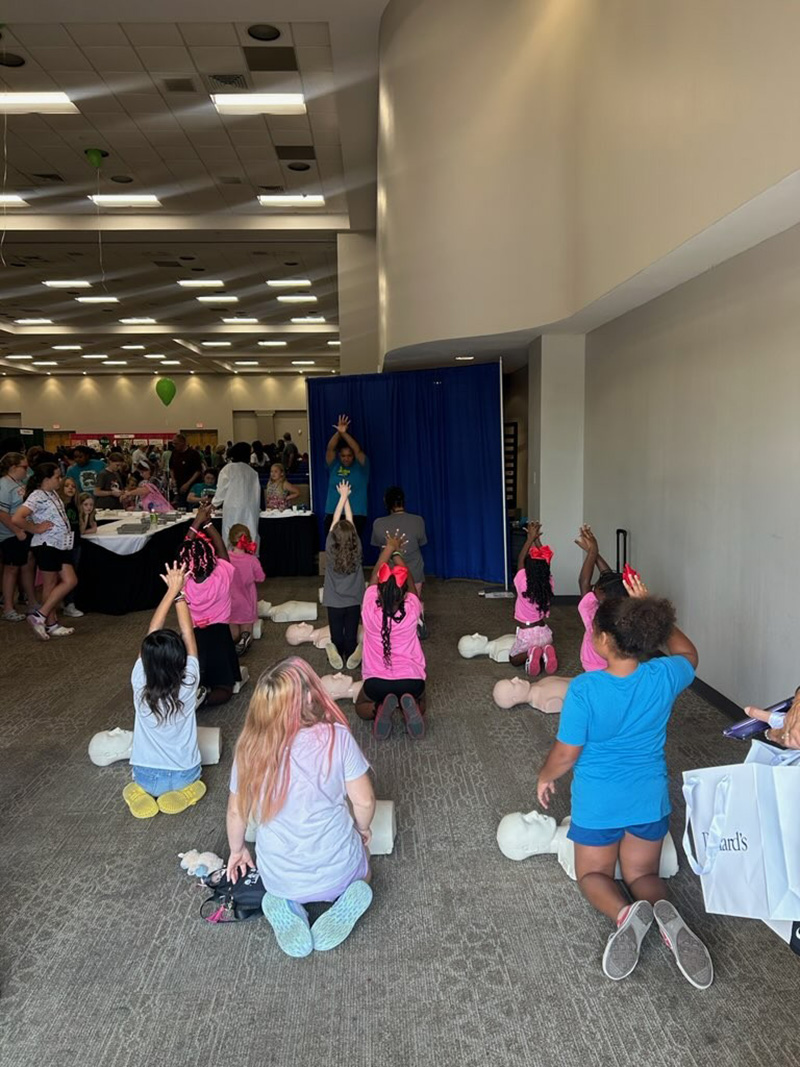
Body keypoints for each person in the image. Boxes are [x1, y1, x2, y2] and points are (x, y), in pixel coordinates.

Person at [536, 573, 713, 988]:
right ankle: (666, 912)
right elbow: (689, 654)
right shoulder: (663, 675)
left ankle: (625, 913)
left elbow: (566, 753)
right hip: (648, 800)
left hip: (599, 803)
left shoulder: (585, 689)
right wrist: (655, 614)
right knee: (643, 875)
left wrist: (545, 775)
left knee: (593, 876)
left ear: (601, 640)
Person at [226, 657, 375, 957]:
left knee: (277, 878)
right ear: (308, 698)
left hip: (280, 879)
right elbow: (365, 801)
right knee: (365, 869)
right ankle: (347, 895)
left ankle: (285, 903)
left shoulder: (249, 748)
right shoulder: (337, 737)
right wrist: (363, 829)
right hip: (339, 871)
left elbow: (236, 811)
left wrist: (237, 850)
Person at [123, 562, 206, 819]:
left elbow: (152, 632)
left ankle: (139, 792)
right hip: (184, 774)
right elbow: (188, 632)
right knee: (197, 783)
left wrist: (170, 591)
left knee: (137, 784)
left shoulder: (139, 681)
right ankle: (188, 793)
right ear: (180, 659)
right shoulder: (189, 681)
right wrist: (180, 593)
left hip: (145, 774)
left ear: (146, 659)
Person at [355, 533, 426, 740]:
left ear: (379, 590)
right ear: (404, 594)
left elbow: (375, 574)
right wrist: (397, 553)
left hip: (376, 683)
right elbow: (409, 578)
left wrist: (388, 548)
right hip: (411, 680)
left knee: (360, 706)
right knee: (422, 701)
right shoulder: (412, 609)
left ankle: (378, 708)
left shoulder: (369, 609)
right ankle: (410, 708)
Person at [177, 503, 243, 707]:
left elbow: (185, 548)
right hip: (220, 636)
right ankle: (205, 698)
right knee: (225, 688)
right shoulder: (222, 574)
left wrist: (197, 522)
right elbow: (222, 549)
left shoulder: (183, 581)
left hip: (194, 637)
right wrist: (208, 524)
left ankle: (194, 693)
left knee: (195, 674)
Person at [13, 463, 77, 640]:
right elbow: (17, 518)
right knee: (50, 584)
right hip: (47, 544)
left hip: (60, 544)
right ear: (46, 479)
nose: (60, 480)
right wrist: (35, 528)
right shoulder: (37, 496)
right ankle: (50, 622)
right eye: (57, 477)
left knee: (70, 580)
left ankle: (41, 615)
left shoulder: (52, 493)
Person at [371, 486, 428, 636]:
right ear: (403, 501)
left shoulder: (378, 523)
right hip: (414, 574)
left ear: (386, 503)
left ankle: (389, 626)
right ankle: (416, 619)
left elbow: (379, 547)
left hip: (388, 577)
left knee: (389, 607)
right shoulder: (418, 521)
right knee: (412, 602)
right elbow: (421, 542)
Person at [575, 524, 628, 672]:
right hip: (619, 666)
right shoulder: (625, 612)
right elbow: (608, 577)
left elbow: (583, 582)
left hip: (593, 666)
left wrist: (593, 552)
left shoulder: (593, 615)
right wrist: (593, 551)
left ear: (604, 596)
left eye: (597, 587)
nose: (593, 588)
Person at [323, 483, 364, 671]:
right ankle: (352, 653)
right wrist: (346, 497)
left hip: (334, 601)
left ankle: (337, 653)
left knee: (336, 634)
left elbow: (335, 520)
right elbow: (350, 521)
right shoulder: (357, 549)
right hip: (354, 600)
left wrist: (342, 496)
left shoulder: (330, 549)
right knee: (351, 633)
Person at [508, 521, 557, 676]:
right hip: (545, 633)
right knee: (540, 647)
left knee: (513, 659)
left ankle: (531, 652)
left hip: (527, 634)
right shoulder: (548, 582)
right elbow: (545, 559)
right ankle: (545, 650)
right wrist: (536, 539)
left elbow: (520, 560)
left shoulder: (523, 582)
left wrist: (530, 538)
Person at [0, 452, 36, 622]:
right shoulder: (4, 485)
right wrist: (16, 531)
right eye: (24, 467)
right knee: (11, 568)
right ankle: (8, 607)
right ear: (13, 467)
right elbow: (2, 513)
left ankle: (31, 601)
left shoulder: (19, 483)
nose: (26, 470)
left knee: (28, 564)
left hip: (24, 530)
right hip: (10, 534)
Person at [324, 415, 369, 535]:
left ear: (353, 456)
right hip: (333, 512)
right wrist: (339, 433)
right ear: (339, 456)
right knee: (332, 544)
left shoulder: (362, 466)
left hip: (356, 513)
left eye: (349, 455)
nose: (346, 458)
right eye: (343, 456)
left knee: (353, 545)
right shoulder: (334, 465)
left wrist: (344, 434)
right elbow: (330, 449)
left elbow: (357, 450)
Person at [212, 441, 262, 551]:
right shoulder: (253, 472)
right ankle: (250, 555)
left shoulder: (228, 469)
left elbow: (221, 490)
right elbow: (257, 492)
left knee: (231, 533)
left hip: (232, 507)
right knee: (250, 531)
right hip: (250, 508)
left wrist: (214, 504)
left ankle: (230, 556)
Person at [227, 522, 265, 656]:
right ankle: (245, 639)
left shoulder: (225, 559)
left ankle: (233, 640)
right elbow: (261, 578)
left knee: (232, 627)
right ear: (248, 539)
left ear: (230, 540)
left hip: (229, 602)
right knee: (247, 626)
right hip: (247, 602)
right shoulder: (252, 560)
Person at [59, 476, 84, 618]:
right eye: (67, 485)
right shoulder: (60, 506)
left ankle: (69, 602)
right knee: (67, 576)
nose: (70, 488)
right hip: (63, 545)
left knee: (75, 572)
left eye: (73, 486)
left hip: (75, 543)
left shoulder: (75, 505)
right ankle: (68, 603)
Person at [169, 434, 203, 509]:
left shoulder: (193, 454)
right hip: (179, 484)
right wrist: (173, 479)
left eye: (176, 444)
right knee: (181, 506)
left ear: (183, 442)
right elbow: (171, 468)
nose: (174, 446)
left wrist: (187, 484)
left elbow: (198, 471)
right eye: (173, 444)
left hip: (192, 484)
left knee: (191, 506)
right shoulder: (174, 453)